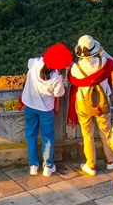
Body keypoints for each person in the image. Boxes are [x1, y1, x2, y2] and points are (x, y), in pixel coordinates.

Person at [68, 35, 113, 175]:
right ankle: (111, 161)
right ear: (94, 49)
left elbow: (71, 79)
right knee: (106, 132)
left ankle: (90, 165)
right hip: (102, 104)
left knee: (87, 134)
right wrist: (102, 52)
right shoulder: (104, 63)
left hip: (83, 104)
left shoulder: (76, 69)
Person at [21, 43, 72, 177]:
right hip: (45, 109)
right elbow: (59, 93)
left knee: (31, 134)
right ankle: (48, 166)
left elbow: (29, 61)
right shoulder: (56, 77)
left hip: (29, 105)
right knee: (47, 136)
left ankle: (33, 165)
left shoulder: (35, 63)